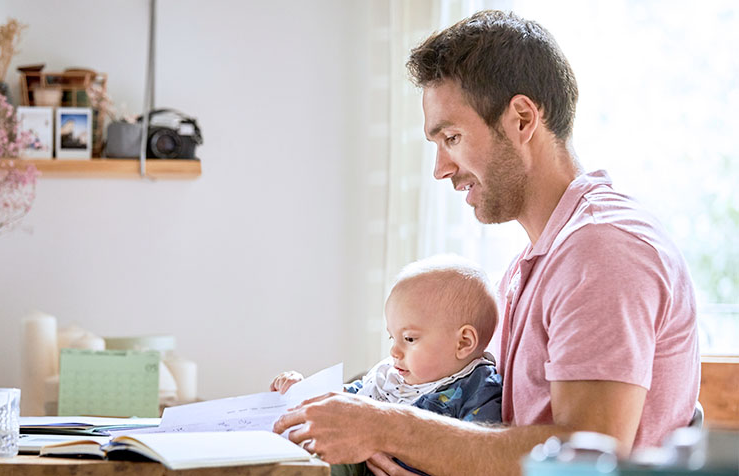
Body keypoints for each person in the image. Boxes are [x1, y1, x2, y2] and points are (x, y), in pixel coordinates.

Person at [274, 9, 700, 476]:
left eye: (452, 137)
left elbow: (587, 458)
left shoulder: (601, 250)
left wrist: (389, 428)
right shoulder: (539, 259)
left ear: (521, 119)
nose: (440, 168)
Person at [271, 255, 503, 475]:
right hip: (357, 460)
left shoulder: (479, 390)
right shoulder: (393, 375)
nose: (394, 351)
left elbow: (480, 455)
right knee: (307, 446)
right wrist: (303, 391)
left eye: (410, 339)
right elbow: (346, 401)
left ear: (463, 342)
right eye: (393, 338)